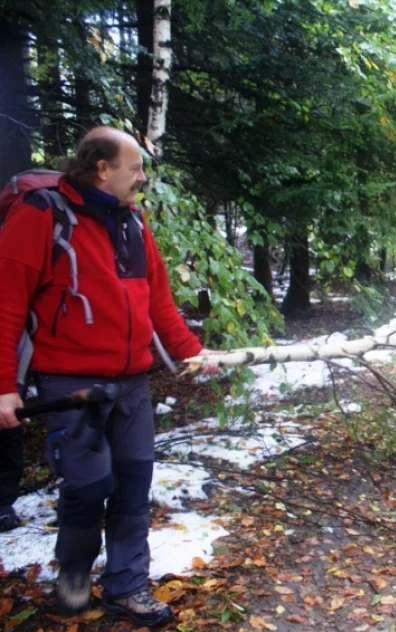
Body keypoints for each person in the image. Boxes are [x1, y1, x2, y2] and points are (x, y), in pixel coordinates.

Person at [0, 127, 221, 627]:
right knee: (87, 487)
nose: (142, 177)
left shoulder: (133, 223)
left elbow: (159, 303)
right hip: (70, 387)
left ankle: (127, 587)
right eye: (135, 167)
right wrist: (3, 387)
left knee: (131, 486)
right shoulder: (42, 217)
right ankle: (74, 576)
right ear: (103, 167)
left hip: (132, 385)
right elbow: (6, 303)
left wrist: (193, 353)